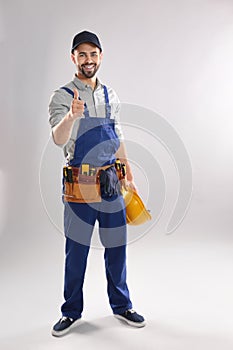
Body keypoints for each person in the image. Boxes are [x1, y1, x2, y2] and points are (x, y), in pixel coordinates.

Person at [49, 30, 145, 337]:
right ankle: (71, 312)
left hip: (111, 183)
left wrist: (128, 173)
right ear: (73, 57)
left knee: (116, 247)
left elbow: (117, 136)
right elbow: (57, 139)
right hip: (79, 186)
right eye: (82, 54)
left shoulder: (110, 95)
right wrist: (71, 118)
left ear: (100, 57)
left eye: (93, 54)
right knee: (76, 250)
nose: (88, 60)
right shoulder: (62, 97)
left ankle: (122, 305)